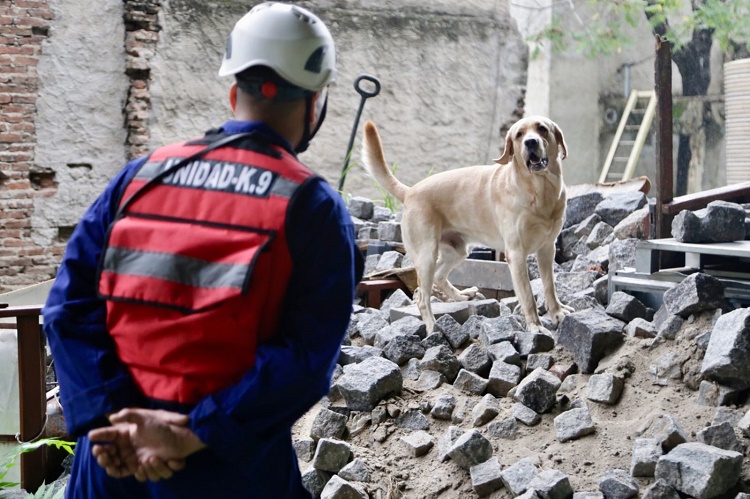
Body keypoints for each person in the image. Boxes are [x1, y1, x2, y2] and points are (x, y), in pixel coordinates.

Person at [42, 3, 363, 497]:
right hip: (229, 467)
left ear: (234, 90)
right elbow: (303, 358)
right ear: (314, 104)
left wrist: (114, 424)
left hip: (112, 462)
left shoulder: (140, 178)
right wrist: (190, 433)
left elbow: (68, 308)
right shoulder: (312, 207)